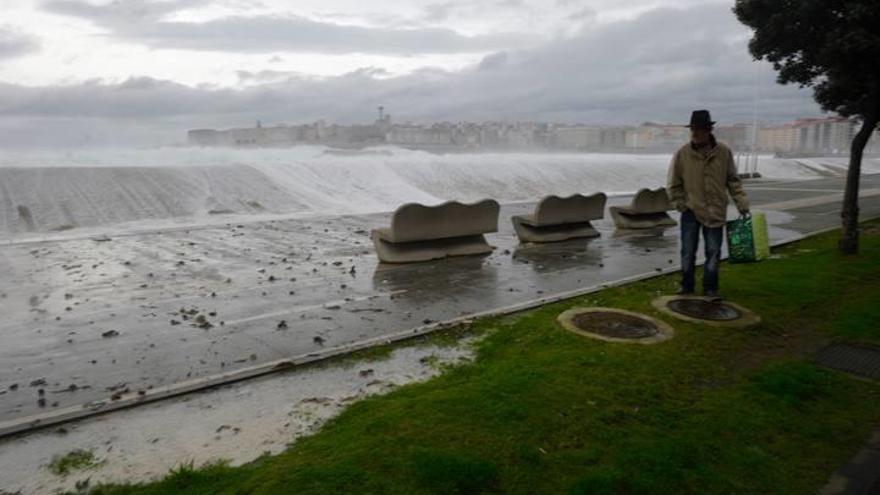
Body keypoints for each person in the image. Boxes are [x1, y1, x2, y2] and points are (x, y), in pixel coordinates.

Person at [667, 110, 749, 300]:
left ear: (709, 130)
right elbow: (673, 183)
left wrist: (742, 203)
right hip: (691, 210)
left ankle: (710, 288)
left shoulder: (724, 152)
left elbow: (733, 181)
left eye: (699, 130)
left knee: (713, 252)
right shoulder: (682, 153)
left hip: (715, 210)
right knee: (688, 251)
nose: (694, 133)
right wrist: (681, 205)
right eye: (693, 130)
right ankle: (686, 285)